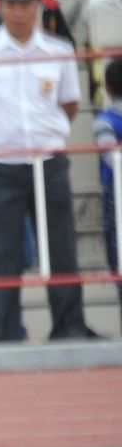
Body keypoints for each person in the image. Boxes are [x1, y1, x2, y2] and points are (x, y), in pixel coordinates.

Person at [0, 0, 97, 343]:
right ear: (0, 6)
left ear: (40, 6)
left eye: (26, 4)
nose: (18, 12)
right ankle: (0, 333)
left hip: (47, 162)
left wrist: (45, 135)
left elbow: (68, 104)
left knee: (61, 250)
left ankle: (69, 328)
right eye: (11, 4)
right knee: (2, 254)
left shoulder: (59, 50)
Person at [96, 58, 122, 310]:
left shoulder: (106, 120)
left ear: (108, 87)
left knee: (118, 258)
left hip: (116, 194)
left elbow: (110, 157)